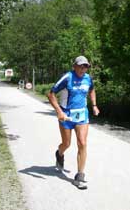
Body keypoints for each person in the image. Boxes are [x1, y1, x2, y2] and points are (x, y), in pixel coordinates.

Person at [47, 55, 100, 190]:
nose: (84, 69)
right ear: (74, 66)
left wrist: (94, 105)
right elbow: (51, 94)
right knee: (66, 143)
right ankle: (59, 153)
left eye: (86, 66)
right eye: (81, 66)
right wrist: (59, 111)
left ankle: (80, 176)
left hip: (82, 114)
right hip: (66, 115)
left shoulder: (88, 79)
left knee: (82, 143)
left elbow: (92, 90)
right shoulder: (67, 77)